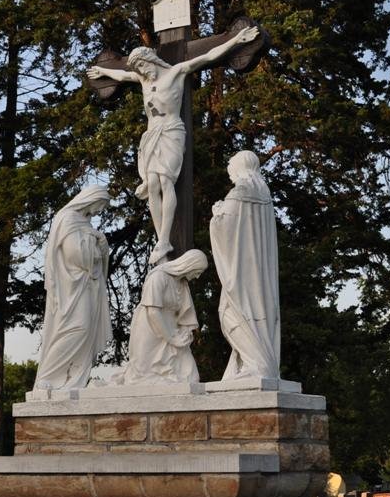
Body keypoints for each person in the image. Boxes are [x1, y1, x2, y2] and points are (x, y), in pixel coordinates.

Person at [87, 26, 259, 264]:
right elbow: (123, 76)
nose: (143, 73)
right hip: (152, 134)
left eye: (144, 67)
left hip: (171, 131)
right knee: (154, 184)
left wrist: (237, 39)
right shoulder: (143, 79)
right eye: (139, 70)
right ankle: (163, 239)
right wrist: (103, 70)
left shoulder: (176, 72)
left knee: (166, 181)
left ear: (151, 60)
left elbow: (209, 56)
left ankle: (165, 238)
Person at [210, 151, 281, 380]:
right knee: (254, 314)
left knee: (229, 313)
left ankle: (258, 365)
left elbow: (225, 226)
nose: (229, 170)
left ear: (239, 166)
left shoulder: (239, 192)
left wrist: (216, 214)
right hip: (260, 273)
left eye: (230, 165)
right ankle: (249, 363)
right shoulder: (264, 193)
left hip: (242, 272)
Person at [33, 185, 112, 390]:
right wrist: (97, 245)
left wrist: (102, 248)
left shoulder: (84, 223)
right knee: (77, 327)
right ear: (91, 199)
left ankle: (73, 378)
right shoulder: (68, 218)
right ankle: (49, 375)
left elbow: (93, 255)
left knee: (86, 331)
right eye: (99, 206)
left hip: (86, 285)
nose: (98, 211)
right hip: (71, 287)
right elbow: (74, 255)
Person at [113, 249, 209, 385]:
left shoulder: (181, 284)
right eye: (198, 271)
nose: (198, 276)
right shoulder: (158, 277)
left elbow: (184, 315)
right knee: (144, 378)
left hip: (172, 330)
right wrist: (171, 339)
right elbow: (152, 311)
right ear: (190, 265)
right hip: (151, 328)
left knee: (190, 376)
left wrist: (183, 332)